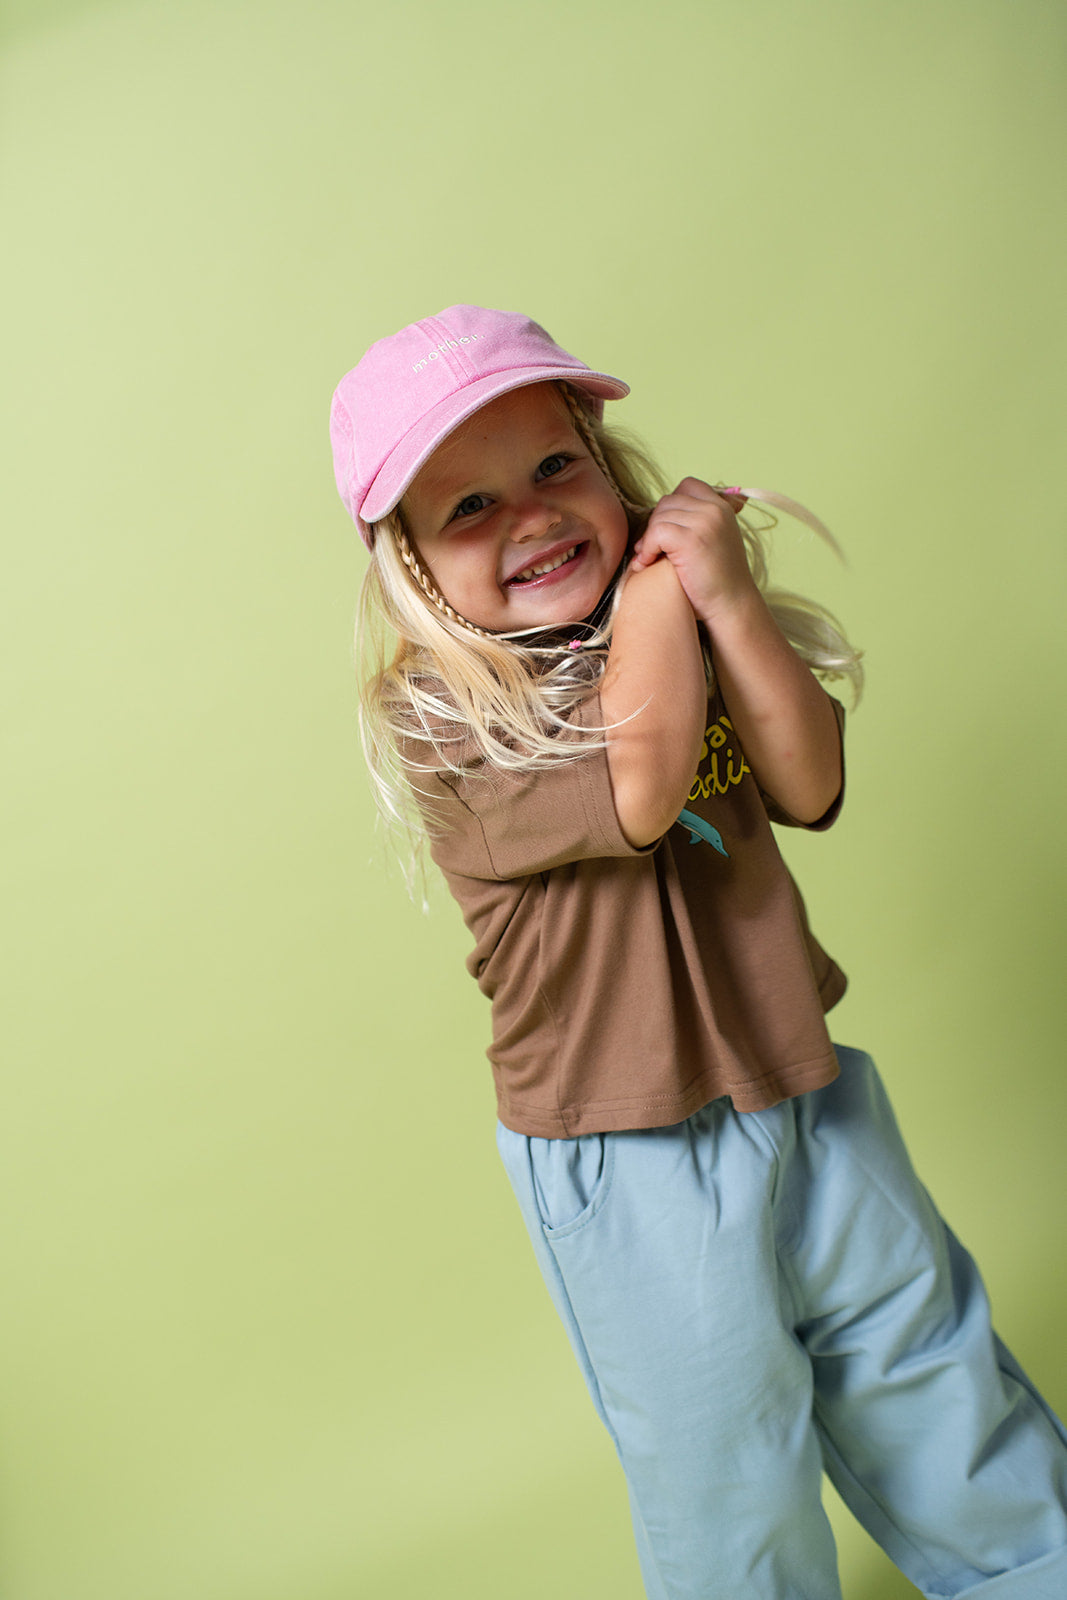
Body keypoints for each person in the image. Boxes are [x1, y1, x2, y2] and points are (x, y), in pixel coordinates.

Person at [329, 305, 1067, 1599]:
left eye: (557, 468)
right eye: (470, 508)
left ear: (609, 466)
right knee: (726, 1464)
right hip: (625, 1153)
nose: (533, 517)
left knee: (930, 1370)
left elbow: (811, 777)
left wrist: (723, 590)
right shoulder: (446, 715)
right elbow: (643, 782)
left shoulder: (687, 618)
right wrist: (669, 586)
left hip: (804, 1081)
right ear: (414, 569)